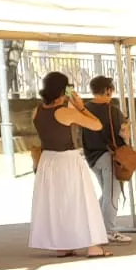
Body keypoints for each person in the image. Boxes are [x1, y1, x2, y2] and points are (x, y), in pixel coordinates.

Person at [29, 72, 111, 259]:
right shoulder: (65, 112)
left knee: (57, 203)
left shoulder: (37, 110)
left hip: (48, 160)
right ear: (62, 90)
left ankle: (63, 245)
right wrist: (81, 108)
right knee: (81, 201)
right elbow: (97, 125)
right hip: (67, 160)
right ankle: (93, 246)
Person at [81, 75, 133, 244]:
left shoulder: (84, 108)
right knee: (112, 194)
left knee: (106, 193)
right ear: (108, 91)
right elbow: (123, 133)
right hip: (109, 155)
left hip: (92, 157)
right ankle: (108, 230)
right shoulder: (112, 110)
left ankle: (92, 223)